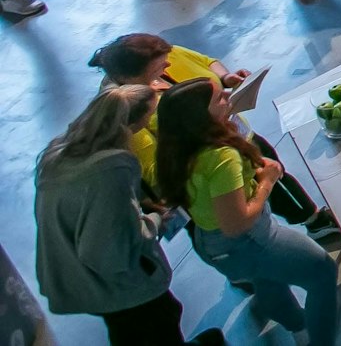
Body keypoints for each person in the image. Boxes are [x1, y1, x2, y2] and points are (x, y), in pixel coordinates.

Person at [34, 85, 227, 346]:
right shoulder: (110, 171)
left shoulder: (62, 154)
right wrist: (155, 221)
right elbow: (109, 251)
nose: (147, 124)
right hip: (113, 285)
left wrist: (139, 205)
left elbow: (92, 211)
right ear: (130, 124)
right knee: (152, 326)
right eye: (147, 118)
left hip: (73, 274)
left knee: (153, 318)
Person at [153, 78, 338, 344]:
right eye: (219, 99)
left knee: (267, 281)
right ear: (200, 116)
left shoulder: (179, 150)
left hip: (215, 244)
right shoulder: (220, 156)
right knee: (322, 271)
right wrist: (267, 181)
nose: (229, 98)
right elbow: (236, 223)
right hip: (247, 240)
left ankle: (299, 328)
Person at [88, 32, 330, 234]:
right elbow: (156, 173)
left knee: (276, 174)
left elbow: (206, 61)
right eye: (159, 65)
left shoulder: (159, 58)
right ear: (133, 76)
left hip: (237, 137)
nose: (169, 64)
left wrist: (225, 77)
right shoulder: (130, 112)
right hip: (215, 168)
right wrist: (206, 134)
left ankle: (312, 218)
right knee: (255, 201)